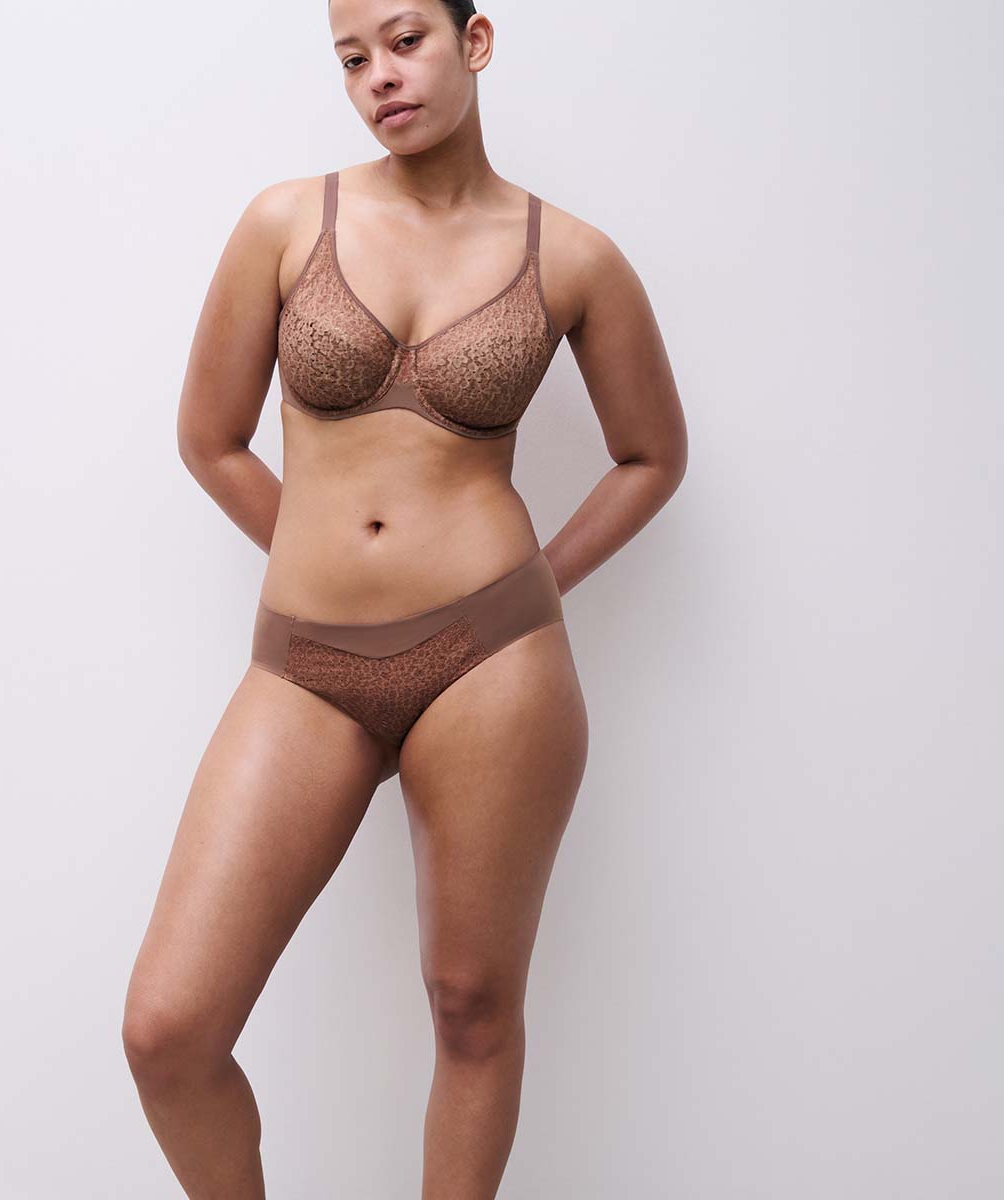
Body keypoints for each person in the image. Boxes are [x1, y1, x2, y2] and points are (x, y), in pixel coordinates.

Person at [122, 1, 687, 1195]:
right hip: (304, 664)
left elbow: (652, 457)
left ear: (474, 41)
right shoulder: (286, 224)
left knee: (472, 1007)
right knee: (169, 1030)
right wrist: (320, 557)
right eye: (351, 59)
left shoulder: (573, 257)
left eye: (403, 40)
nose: (379, 75)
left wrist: (531, 586)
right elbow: (209, 437)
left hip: (492, 662)